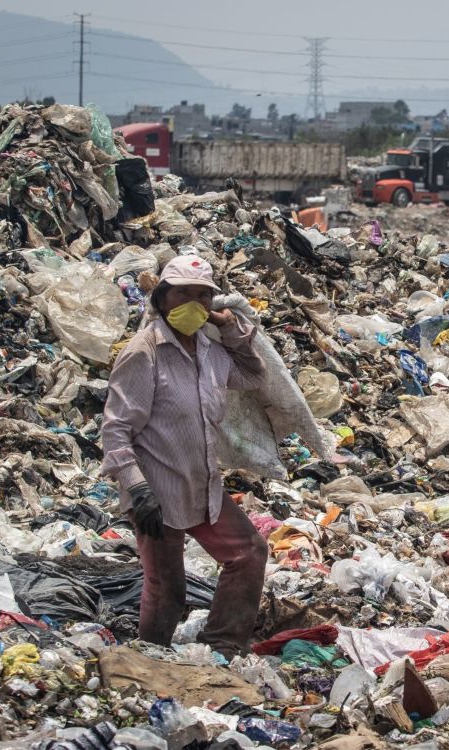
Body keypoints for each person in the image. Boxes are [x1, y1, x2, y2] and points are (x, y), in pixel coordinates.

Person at [101, 255, 269, 657]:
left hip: (203, 484)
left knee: (249, 552)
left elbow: (251, 374)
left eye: (201, 295)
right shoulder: (144, 352)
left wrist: (228, 326)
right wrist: (137, 491)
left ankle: (222, 648)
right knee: (167, 590)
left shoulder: (211, 352)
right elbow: (116, 429)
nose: (192, 303)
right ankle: (149, 663)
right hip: (157, 492)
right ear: (162, 299)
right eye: (182, 294)